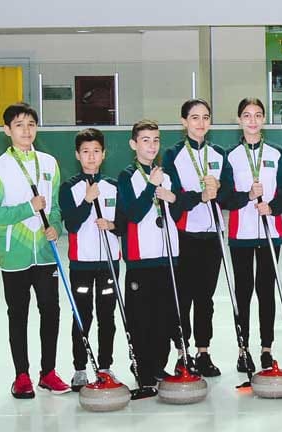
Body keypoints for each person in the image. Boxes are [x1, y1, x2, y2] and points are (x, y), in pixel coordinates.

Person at [0, 102, 70, 398]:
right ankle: (21, 375)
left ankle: (48, 372)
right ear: (7, 130)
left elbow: (55, 206)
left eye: (31, 124)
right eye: (19, 124)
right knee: (18, 314)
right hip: (14, 255)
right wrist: (26, 208)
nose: (26, 130)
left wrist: (55, 225)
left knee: (51, 312)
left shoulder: (49, 163)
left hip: (45, 253)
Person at [220, 98, 282, 373]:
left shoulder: (277, 154)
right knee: (244, 291)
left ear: (263, 120)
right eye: (247, 115)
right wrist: (246, 196)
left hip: (270, 232)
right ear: (239, 120)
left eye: (258, 115)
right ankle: (243, 348)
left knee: (266, 291)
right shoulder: (229, 155)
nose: (252, 120)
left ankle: (266, 348)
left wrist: (271, 207)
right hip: (241, 233)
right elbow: (224, 197)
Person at [115, 119, 181, 389]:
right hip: (140, 258)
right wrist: (152, 187)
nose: (151, 145)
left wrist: (174, 200)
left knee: (164, 316)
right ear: (133, 144)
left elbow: (176, 214)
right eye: (145, 140)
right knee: (142, 316)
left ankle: (158, 364)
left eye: (155, 140)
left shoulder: (166, 174)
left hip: (166, 255)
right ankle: (142, 367)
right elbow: (132, 213)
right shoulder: (126, 176)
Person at [162, 99, 225, 377]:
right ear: (184, 121)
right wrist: (199, 196)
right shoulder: (172, 155)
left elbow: (232, 195)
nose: (201, 123)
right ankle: (181, 352)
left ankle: (203, 351)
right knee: (183, 296)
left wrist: (220, 188)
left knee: (205, 298)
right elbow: (173, 199)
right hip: (184, 234)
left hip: (212, 235)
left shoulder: (219, 154)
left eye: (206, 117)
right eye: (195, 117)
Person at [58, 128, 121, 388]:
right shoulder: (69, 187)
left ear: (104, 154)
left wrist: (112, 225)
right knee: (82, 315)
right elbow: (71, 225)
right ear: (77, 155)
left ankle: (105, 366)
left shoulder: (114, 186)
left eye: (96, 151)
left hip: (109, 262)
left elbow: (126, 223)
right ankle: (80, 368)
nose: (91, 157)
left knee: (107, 315)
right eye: (86, 152)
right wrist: (86, 200)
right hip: (81, 264)